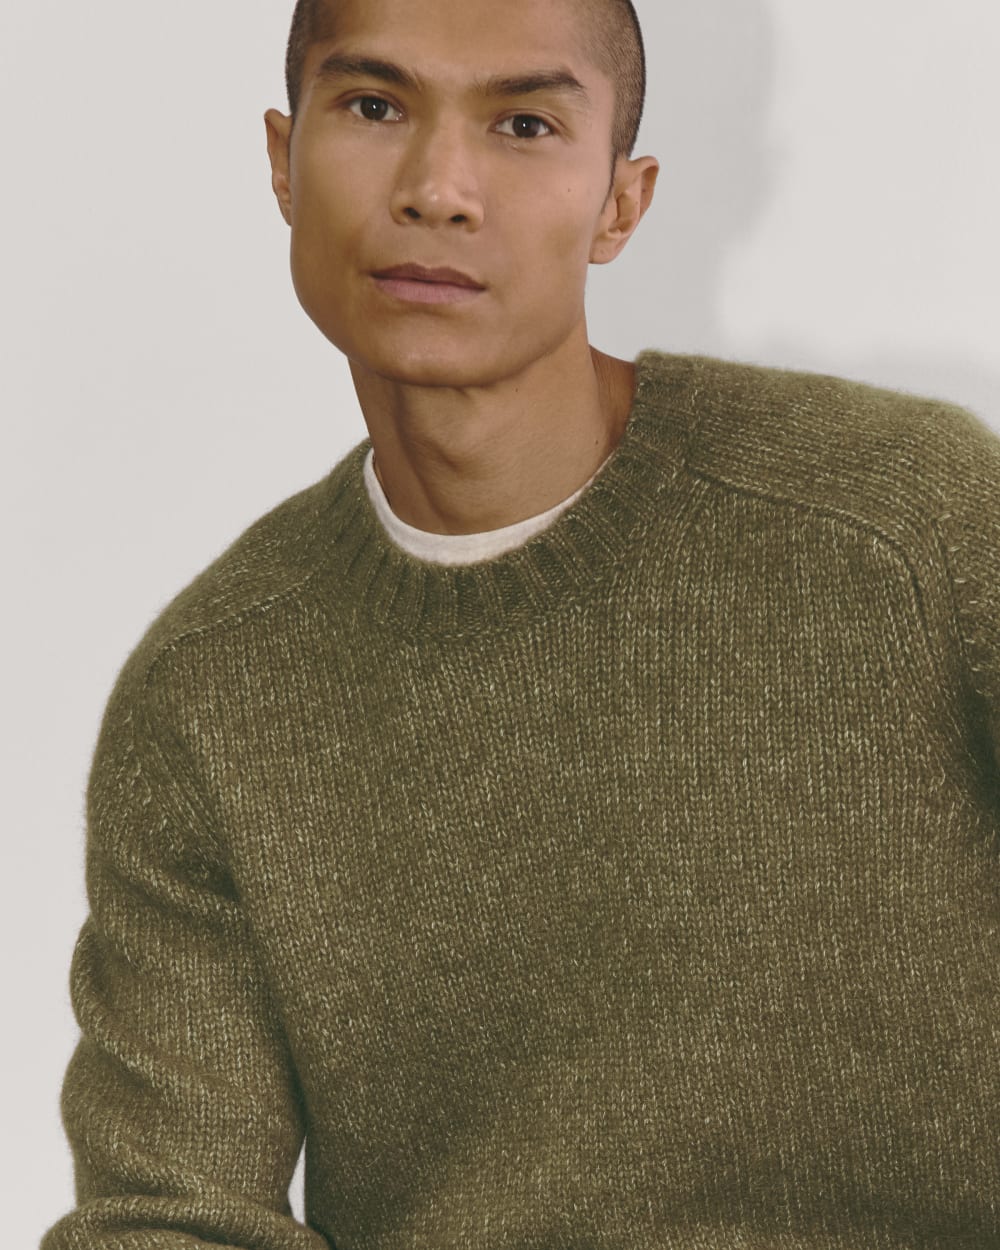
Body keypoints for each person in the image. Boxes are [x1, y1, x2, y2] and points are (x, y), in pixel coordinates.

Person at [41, 0, 1000, 1245]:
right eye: (374, 106)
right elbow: (166, 1214)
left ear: (620, 204)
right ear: (283, 159)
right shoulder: (210, 695)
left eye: (525, 125)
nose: (438, 189)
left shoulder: (907, 523)